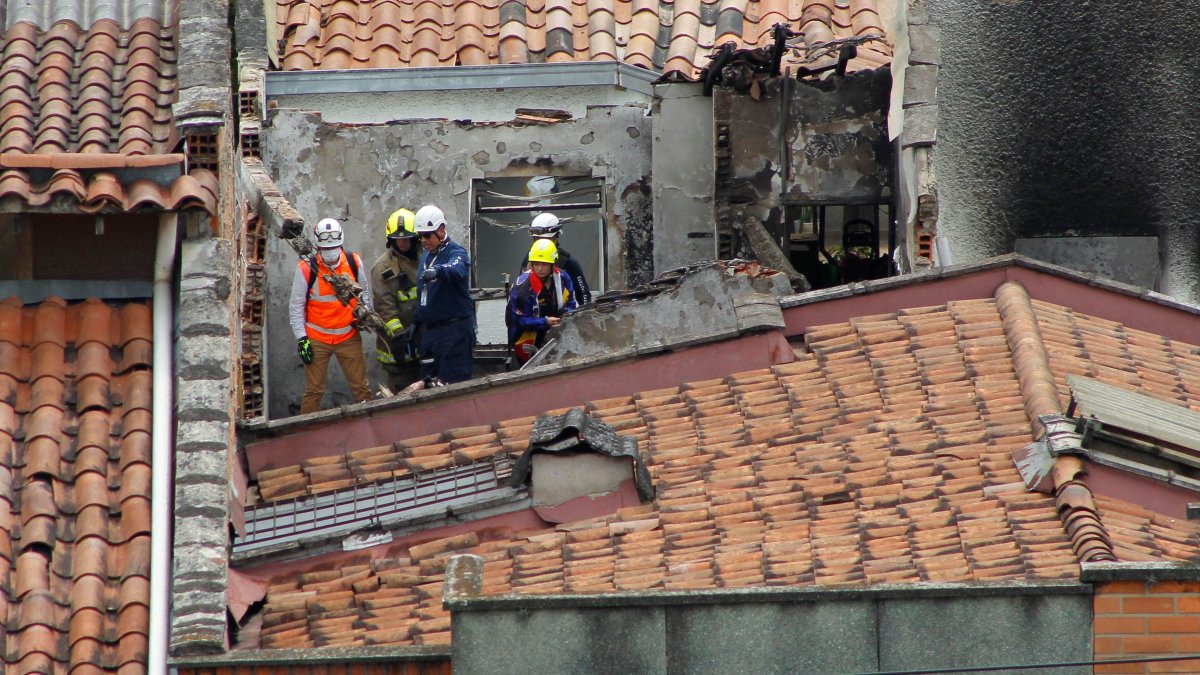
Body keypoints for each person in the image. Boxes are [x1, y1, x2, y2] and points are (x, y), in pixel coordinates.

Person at [290, 217, 373, 414]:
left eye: (334, 247)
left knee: (362, 389)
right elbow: (296, 306)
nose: (330, 252)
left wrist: (365, 313)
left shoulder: (353, 262)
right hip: (317, 338)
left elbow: (365, 294)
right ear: (318, 247)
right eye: (326, 249)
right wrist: (302, 339)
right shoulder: (306, 269)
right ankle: (305, 434)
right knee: (313, 392)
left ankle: (372, 425)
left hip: (348, 336)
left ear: (341, 243)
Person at [412, 204, 475, 384]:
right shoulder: (426, 255)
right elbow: (424, 292)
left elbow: (457, 269)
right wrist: (416, 322)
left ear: (440, 230)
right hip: (430, 332)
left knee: (452, 383)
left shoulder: (456, 252)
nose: (423, 240)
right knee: (427, 382)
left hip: (453, 330)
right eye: (420, 236)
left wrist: (439, 270)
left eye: (427, 235)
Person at [370, 208, 421, 392]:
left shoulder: (426, 256)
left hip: (424, 341)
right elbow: (385, 307)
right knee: (402, 396)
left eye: (406, 237)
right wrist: (399, 337)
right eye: (397, 238)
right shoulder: (383, 268)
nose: (402, 242)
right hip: (398, 347)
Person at [508, 238, 576, 364]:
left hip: (556, 334)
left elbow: (571, 302)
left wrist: (565, 314)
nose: (539, 268)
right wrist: (544, 321)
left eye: (544, 264)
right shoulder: (523, 286)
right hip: (528, 339)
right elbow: (520, 320)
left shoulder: (563, 278)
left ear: (553, 263)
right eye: (536, 264)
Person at [522, 213, 591, 305]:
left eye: (545, 239)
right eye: (537, 239)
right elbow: (520, 292)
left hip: (561, 315)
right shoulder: (529, 258)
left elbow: (584, 296)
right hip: (534, 315)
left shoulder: (568, 262)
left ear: (555, 238)